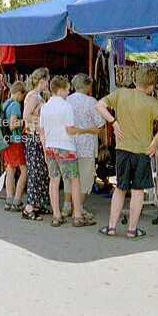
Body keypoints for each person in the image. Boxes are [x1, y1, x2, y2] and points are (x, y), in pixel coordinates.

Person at [96, 68, 158, 239]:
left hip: (122, 149)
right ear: (151, 86)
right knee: (138, 191)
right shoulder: (152, 102)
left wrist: (113, 122)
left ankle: (111, 227)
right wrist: (154, 143)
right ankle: (131, 230)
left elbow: (99, 105)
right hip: (142, 152)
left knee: (120, 188)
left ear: (135, 81)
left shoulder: (121, 93)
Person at [39, 76, 97, 228]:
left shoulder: (45, 107)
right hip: (66, 146)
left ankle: (56, 215)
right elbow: (70, 129)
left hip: (50, 147)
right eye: (67, 89)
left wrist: (45, 148)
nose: (69, 91)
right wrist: (86, 130)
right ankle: (77, 215)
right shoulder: (66, 107)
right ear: (60, 90)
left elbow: (42, 131)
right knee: (74, 180)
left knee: (54, 180)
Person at [63, 73, 106, 220]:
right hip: (86, 145)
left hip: (68, 144)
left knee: (69, 176)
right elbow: (100, 124)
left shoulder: (66, 100)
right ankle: (79, 207)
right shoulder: (91, 102)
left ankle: (67, 206)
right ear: (87, 85)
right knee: (85, 177)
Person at [21, 67, 52, 221]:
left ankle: (39, 204)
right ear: (42, 80)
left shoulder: (38, 96)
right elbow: (25, 117)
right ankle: (29, 208)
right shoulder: (33, 96)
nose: (49, 82)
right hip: (34, 138)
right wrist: (41, 121)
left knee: (41, 172)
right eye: (47, 79)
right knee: (35, 172)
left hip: (38, 138)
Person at [2, 81, 28, 212]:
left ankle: (9, 199)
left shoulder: (5, 103)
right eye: (23, 95)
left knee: (10, 169)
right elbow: (13, 125)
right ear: (19, 93)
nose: (23, 99)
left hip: (7, 141)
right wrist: (26, 121)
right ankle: (17, 200)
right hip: (16, 141)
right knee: (24, 171)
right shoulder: (16, 105)